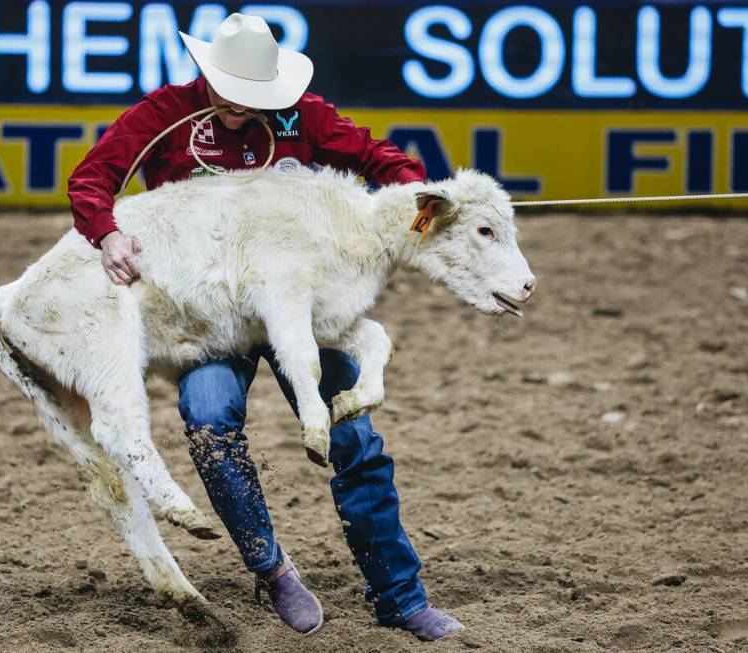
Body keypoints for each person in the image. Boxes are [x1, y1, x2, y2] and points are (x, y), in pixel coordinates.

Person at [67, 12, 464, 642]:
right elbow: (92, 179)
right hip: (208, 316)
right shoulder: (163, 114)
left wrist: (423, 205)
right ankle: (271, 568)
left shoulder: (301, 115)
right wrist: (107, 232)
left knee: (355, 440)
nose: (235, 104)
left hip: (296, 306)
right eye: (226, 88)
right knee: (209, 423)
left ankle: (400, 595)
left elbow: (380, 161)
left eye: (250, 94)